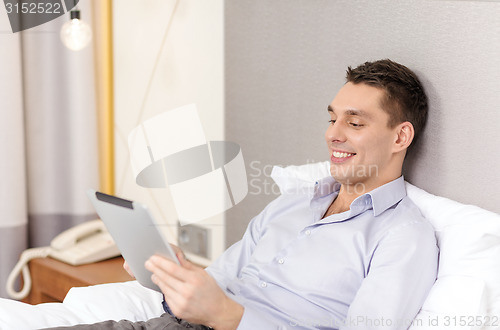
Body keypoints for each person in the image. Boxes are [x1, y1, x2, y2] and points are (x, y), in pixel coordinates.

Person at [50, 59, 438, 330]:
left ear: (400, 136)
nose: (333, 134)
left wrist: (231, 318)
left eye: (354, 122)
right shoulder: (292, 203)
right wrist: (179, 279)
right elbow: (220, 284)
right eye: (332, 118)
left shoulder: (404, 236)